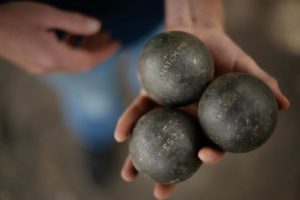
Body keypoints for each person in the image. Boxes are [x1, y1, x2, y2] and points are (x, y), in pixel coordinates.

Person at [0, 0, 290, 199]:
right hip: (52, 36)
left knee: (127, 85)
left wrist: (193, 11)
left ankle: (101, 135)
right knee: (93, 103)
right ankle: (98, 140)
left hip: (158, 11)